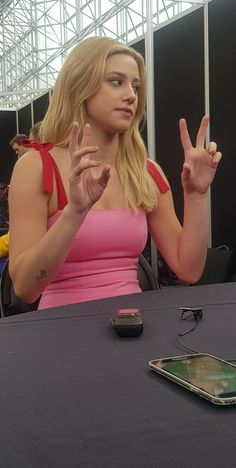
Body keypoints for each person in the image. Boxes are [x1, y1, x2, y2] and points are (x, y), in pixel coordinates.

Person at [8, 36, 222, 309]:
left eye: (135, 86)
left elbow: (188, 270)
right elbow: (25, 288)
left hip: (133, 330)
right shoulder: (36, 167)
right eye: (116, 81)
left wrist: (197, 195)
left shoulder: (145, 171)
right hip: (60, 334)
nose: (131, 95)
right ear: (80, 85)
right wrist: (74, 213)